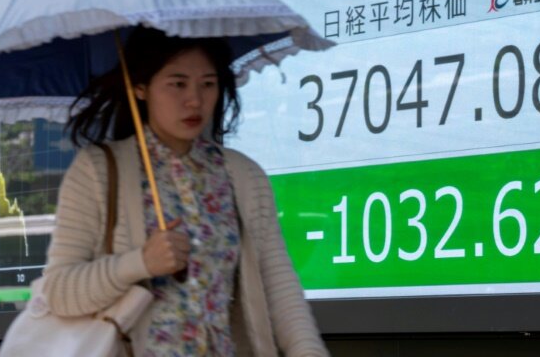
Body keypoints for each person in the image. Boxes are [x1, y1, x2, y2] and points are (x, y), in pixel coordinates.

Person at [43, 27, 329, 357]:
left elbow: (279, 286)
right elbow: (59, 292)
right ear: (140, 88)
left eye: (207, 84)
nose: (195, 99)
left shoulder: (243, 175)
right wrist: (139, 263)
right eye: (178, 84)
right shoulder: (97, 170)